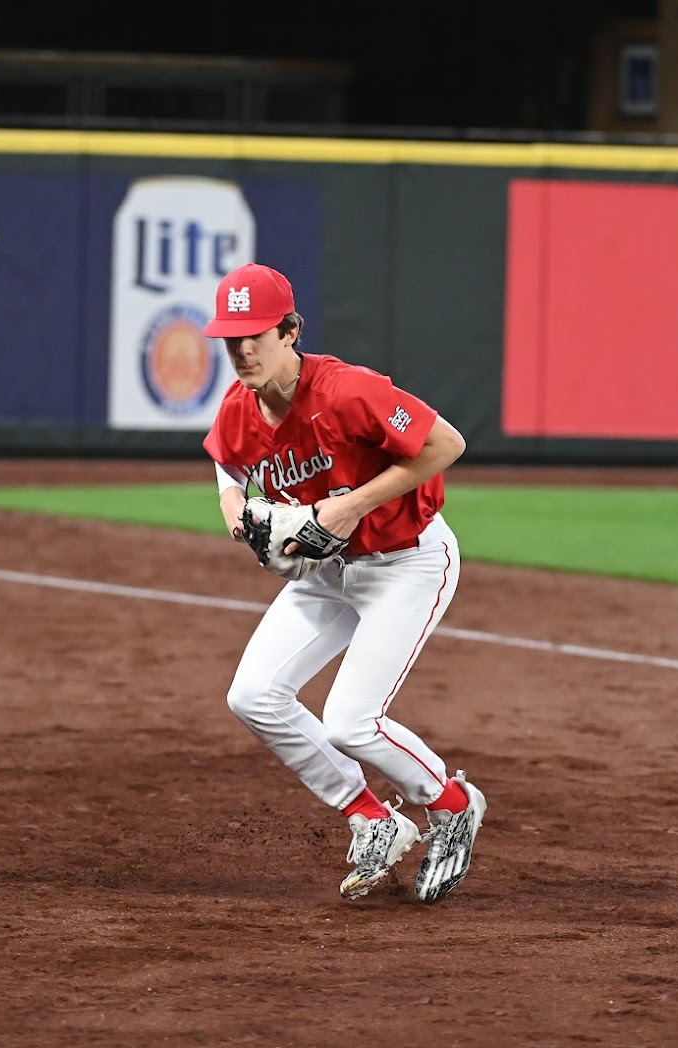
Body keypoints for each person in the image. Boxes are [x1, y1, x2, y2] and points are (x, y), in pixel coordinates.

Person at [201, 262, 485, 902]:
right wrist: (234, 509)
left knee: (351, 723)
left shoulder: (348, 392)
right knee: (254, 696)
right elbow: (225, 458)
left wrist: (351, 505)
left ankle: (450, 802)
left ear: (290, 332)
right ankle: (373, 820)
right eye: (231, 338)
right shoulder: (241, 408)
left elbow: (445, 444)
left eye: (256, 334)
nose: (242, 350)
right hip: (326, 573)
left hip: (407, 562)